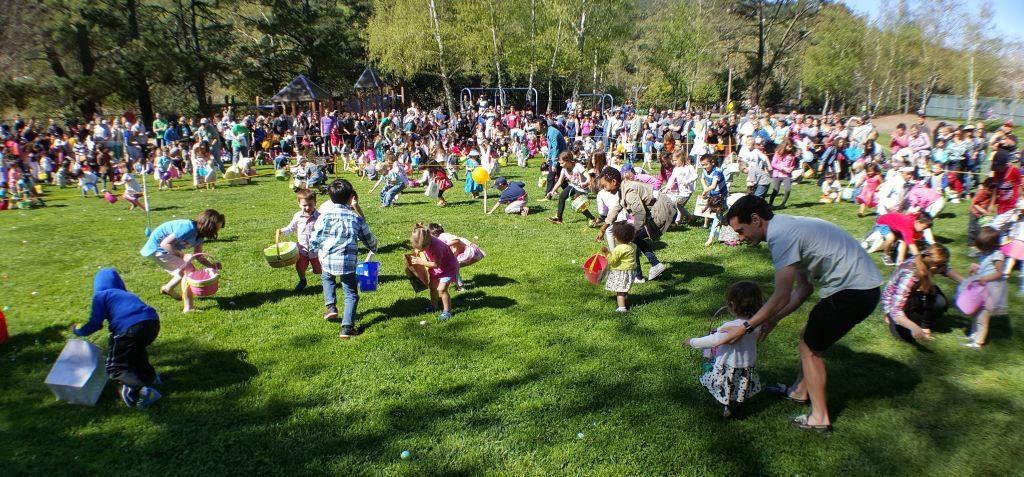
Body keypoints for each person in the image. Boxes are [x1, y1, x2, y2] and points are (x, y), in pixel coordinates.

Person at [722, 195, 883, 432]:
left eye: (741, 231)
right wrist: (773, 319)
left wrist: (745, 328)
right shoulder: (785, 227)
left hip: (855, 291)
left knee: (810, 349)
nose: (741, 238)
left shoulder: (781, 237)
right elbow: (803, 289)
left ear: (755, 219)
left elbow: (781, 296)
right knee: (808, 338)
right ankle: (799, 392)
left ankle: (819, 418)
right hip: (862, 288)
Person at [71, 268, 162, 409]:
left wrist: (79, 331)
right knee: (136, 351)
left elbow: (95, 323)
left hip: (129, 327)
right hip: (152, 323)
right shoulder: (127, 294)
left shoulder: (101, 296)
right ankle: (151, 378)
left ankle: (143, 392)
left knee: (115, 367)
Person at [310, 179, 378, 339]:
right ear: (351, 198)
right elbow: (368, 238)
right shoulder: (356, 218)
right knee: (351, 294)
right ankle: (347, 327)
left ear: (330, 197)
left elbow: (315, 236)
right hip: (347, 262)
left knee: (327, 278)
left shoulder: (324, 216)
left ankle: (331, 307)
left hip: (327, 259)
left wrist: (313, 250)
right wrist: (374, 247)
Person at [686, 280, 765, 419]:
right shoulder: (757, 324)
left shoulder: (731, 326)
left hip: (729, 365)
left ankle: (728, 408)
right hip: (747, 365)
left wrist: (692, 341)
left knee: (728, 387)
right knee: (740, 387)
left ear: (732, 305)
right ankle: (738, 405)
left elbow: (713, 340)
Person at [595, 167, 673, 282]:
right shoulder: (623, 188)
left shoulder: (628, 190)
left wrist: (633, 232)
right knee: (634, 239)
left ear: (614, 182)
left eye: (605, 185)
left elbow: (640, 213)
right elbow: (616, 208)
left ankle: (642, 273)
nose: (604, 189)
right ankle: (649, 268)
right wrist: (603, 228)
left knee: (632, 238)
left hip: (663, 209)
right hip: (657, 209)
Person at [139, 209, 225, 313]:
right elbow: (164, 244)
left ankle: (168, 288)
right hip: (157, 248)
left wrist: (211, 266)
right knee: (189, 270)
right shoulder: (188, 228)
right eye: (215, 229)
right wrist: (182, 255)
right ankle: (188, 308)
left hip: (164, 249)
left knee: (183, 270)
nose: (216, 232)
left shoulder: (200, 236)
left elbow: (198, 256)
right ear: (208, 225)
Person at [881, 244, 963, 342]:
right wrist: (914, 327)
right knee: (904, 336)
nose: (946, 267)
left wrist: (966, 282)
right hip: (894, 302)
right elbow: (896, 310)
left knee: (940, 302)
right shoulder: (909, 276)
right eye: (944, 265)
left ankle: (925, 325)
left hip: (917, 291)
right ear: (934, 266)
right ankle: (888, 315)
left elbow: (946, 270)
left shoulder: (927, 259)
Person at [961, 227, 1007, 349]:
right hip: (982, 289)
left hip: (992, 290)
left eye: (982, 247)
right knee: (976, 313)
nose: (980, 250)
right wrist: (977, 268)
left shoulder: (998, 255)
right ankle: (973, 335)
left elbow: (999, 273)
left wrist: (985, 278)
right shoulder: (986, 252)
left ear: (991, 245)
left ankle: (978, 342)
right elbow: (986, 267)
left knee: (982, 317)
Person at [409, 224, 460, 321]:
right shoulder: (425, 240)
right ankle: (434, 306)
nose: (420, 250)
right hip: (437, 269)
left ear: (428, 242)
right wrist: (417, 250)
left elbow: (436, 264)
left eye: (422, 249)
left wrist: (421, 262)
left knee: (441, 289)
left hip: (448, 268)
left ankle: (447, 311)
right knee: (432, 286)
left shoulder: (437, 247)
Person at [276, 188, 321, 292]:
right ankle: (302, 280)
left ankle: (326, 281)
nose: (307, 207)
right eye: (304, 205)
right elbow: (291, 228)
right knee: (300, 267)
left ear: (315, 203)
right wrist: (282, 231)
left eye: (310, 205)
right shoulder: (297, 216)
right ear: (299, 204)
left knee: (319, 268)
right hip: (302, 248)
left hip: (316, 249)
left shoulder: (320, 217)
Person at [427, 223, 485, 291]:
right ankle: (455, 282)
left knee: (452, 267)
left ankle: (460, 286)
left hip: (470, 252)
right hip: (472, 253)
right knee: (453, 267)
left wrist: (444, 246)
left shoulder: (443, 235)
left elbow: (456, 240)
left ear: (433, 233)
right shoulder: (442, 238)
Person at [547, 152, 598, 225]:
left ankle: (593, 218)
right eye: (560, 163)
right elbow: (559, 182)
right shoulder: (564, 169)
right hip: (573, 186)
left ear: (568, 161)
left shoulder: (578, 166)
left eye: (562, 163)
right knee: (562, 196)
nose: (560, 165)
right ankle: (559, 218)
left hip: (582, 189)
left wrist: (585, 183)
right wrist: (552, 191)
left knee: (579, 204)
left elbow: (588, 177)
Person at [601, 223, 637, 313]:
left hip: (621, 271)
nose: (614, 238)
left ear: (619, 238)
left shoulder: (619, 249)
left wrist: (606, 252)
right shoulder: (632, 246)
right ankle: (625, 297)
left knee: (619, 290)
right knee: (624, 286)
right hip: (630, 271)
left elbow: (612, 261)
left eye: (615, 237)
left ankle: (622, 308)